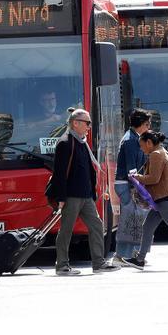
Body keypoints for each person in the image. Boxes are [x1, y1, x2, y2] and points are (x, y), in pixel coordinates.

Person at [52, 109, 121, 275]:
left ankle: (98, 262)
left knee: (97, 226)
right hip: (71, 196)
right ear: (75, 123)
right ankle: (62, 265)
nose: (89, 126)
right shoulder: (65, 142)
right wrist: (60, 197)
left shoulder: (82, 142)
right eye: (87, 123)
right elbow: (59, 174)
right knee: (66, 230)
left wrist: (93, 192)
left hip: (85, 195)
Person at [123, 131, 168, 271]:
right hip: (163, 198)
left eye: (142, 145)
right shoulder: (162, 151)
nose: (141, 148)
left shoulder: (156, 154)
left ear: (149, 143)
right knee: (148, 227)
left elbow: (154, 178)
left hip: (165, 198)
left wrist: (136, 177)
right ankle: (140, 259)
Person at [113, 109, 151, 263]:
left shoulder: (135, 138)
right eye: (147, 124)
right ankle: (121, 255)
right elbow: (131, 168)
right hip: (128, 184)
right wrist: (138, 186)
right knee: (130, 220)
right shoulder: (130, 141)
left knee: (136, 219)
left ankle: (132, 253)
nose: (149, 127)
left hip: (131, 183)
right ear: (140, 125)